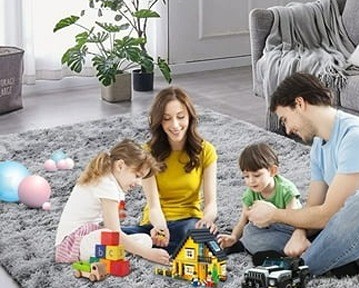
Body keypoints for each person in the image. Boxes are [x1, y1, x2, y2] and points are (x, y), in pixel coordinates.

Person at [246, 72, 359, 276]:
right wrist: (299, 234)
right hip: (345, 232)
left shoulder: (357, 137)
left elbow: (328, 214)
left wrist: (275, 214)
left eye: (285, 119)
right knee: (253, 233)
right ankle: (333, 257)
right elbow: (314, 207)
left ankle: (296, 272)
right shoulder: (318, 146)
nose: (288, 130)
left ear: (299, 104)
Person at [122, 86, 218, 255]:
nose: (175, 125)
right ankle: (146, 241)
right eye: (167, 119)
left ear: (190, 117)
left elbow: (211, 203)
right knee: (111, 234)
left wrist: (207, 219)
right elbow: (153, 206)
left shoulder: (206, 151)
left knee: (193, 234)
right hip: (156, 223)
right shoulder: (147, 153)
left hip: (189, 221)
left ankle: (141, 244)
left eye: (180, 117)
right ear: (159, 121)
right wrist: (160, 228)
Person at [55, 139, 170, 265]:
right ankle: (117, 251)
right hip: (70, 244)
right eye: (137, 176)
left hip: (88, 235)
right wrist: (148, 253)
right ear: (120, 166)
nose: (139, 183)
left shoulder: (109, 180)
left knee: (145, 239)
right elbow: (114, 232)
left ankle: (116, 251)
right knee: (111, 236)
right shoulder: (106, 184)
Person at [218, 143, 301, 256]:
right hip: (263, 228)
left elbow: (295, 221)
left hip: (285, 229)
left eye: (256, 175)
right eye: (246, 176)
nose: (251, 181)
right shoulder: (250, 193)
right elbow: (243, 221)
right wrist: (233, 237)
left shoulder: (287, 190)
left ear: (272, 171)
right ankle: (259, 248)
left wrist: (273, 215)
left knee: (284, 239)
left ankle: (264, 250)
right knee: (248, 230)